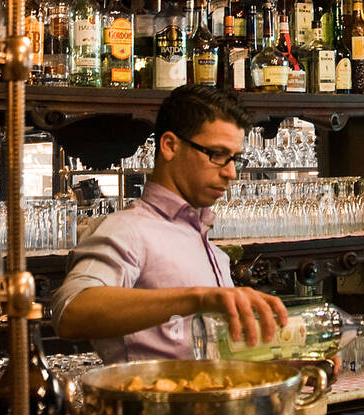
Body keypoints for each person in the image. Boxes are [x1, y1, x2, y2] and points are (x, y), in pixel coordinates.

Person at [51, 85, 286, 363]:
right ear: (170, 146)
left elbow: (213, 358)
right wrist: (198, 299)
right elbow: (70, 311)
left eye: (235, 158)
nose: (231, 172)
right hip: (151, 404)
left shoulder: (204, 242)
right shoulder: (127, 230)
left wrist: (290, 366)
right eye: (217, 154)